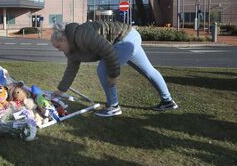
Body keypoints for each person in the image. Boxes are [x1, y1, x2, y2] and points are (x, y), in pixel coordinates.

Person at [50, 21, 178, 117]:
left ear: (64, 39)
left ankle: (113, 106)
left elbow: (108, 52)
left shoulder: (82, 34)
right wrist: (60, 90)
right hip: (128, 37)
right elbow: (71, 70)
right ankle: (168, 102)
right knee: (148, 70)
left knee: (103, 69)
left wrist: (113, 75)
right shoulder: (71, 51)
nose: (58, 50)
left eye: (58, 46)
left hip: (126, 38)